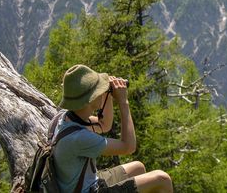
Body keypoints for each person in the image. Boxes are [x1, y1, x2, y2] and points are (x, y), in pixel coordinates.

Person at [54, 64, 173, 193]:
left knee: (138, 168)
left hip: (83, 182)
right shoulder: (79, 138)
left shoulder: (65, 117)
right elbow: (128, 147)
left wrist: (107, 94)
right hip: (87, 189)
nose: (101, 91)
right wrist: (123, 102)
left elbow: (104, 124)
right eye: (98, 90)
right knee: (162, 179)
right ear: (89, 99)